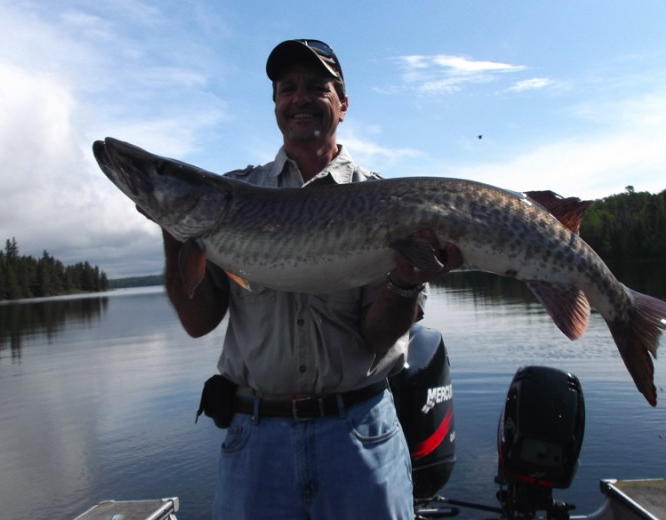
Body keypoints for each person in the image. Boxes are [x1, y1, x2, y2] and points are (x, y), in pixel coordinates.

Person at [159, 39, 462, 519]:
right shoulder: (230, 198)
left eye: (317, 87)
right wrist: (174, 233)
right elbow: (198, 322)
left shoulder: (384, 200)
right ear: (276, 104)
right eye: (287, 88)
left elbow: (377, 334)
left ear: (342, 104)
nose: (299, 98)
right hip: (256, 443)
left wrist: (405, 281)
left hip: (358, 437)